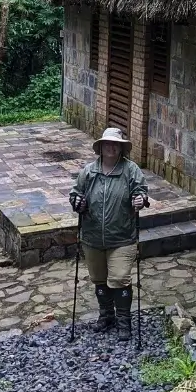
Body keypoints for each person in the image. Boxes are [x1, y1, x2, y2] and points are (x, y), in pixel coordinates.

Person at [68, 127, 148, 341]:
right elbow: (76, 194)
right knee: (99, 279)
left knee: (120, 278)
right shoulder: (89, 172)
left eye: (116, 144)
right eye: (107, 143)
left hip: (122, 237)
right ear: (101, 147)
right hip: (92, 237)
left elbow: (141, 192)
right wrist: (78, 203)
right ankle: (106, 316)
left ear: (121, 148)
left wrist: (139, 200)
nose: (111, 147)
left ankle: (124, 321)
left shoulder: (131, 170)